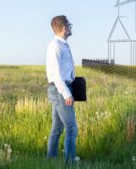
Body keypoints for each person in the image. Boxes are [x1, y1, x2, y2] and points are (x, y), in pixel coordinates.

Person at [45, 15, 79, 163]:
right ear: (64, 28)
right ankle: (70, 162)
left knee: (57, 129)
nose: (71, 27)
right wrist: (67, 94)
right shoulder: (55, 46)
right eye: (69, 25)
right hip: (60, 89)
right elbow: (56, 75)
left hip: (63, 88)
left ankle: (50, 160)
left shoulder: (64, 45)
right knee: (71, 128)